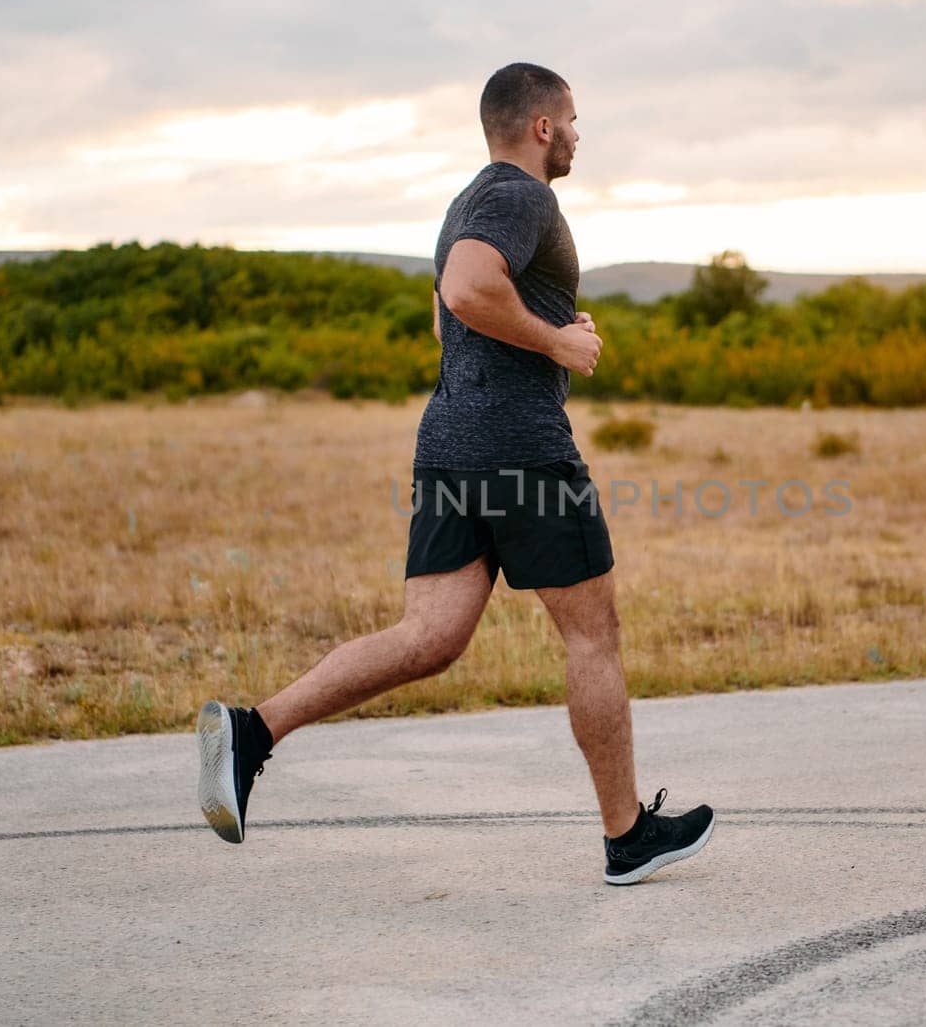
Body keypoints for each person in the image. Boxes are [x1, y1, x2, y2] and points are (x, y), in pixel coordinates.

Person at [196, 62, 713, 885]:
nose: (578, 134)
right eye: (572, 120)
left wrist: (543, 322)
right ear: (542, 127)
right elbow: (471, 290)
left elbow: (450, 318)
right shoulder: (524, 196)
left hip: (449, 444)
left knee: (428, 638)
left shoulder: (466, 202)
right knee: (593, 634)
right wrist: (558, 343)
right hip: (522, 449)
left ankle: (254, 731)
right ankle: (626, 836)